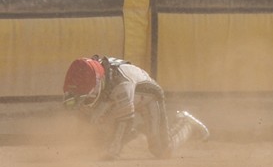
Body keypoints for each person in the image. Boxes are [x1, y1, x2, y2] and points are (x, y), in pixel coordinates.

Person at [62, 55, 209, 160]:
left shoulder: (121, 85)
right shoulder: (91, 75)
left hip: (148, 97)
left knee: (162, 150)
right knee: (96, 121)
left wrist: (113, 151)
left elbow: (126, 120)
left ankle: (186, 123)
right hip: (117, 99)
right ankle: (138, 131)